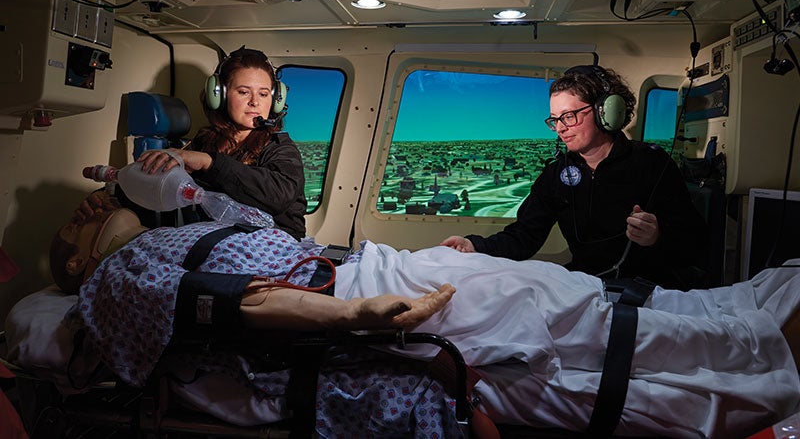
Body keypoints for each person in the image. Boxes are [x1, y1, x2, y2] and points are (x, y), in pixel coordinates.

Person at [70, 220, 800, 438]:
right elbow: (225, 305)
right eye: (78, 220)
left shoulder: (192, 218)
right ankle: (765, 355)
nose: (89, 208)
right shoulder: (116, 276)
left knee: (571, 296)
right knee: (571, 324)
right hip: (371, 298)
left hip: (378, 267)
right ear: (77, 257)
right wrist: (354, 314)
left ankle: (751, 321)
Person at [441, 65, 709, 289]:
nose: (560, 128)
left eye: (569, 116)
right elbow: (524, 235)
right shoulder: (557, 174)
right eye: (555, 119)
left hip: (651, 286)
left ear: (606, 111)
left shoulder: (651, 163)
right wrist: (474, 245)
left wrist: (657, 235)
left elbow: (695, 244)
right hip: (585, 285)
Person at [76, 46, 307, 240]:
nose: (255, 102)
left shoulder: (280, 149)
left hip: (273, 248)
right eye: (244, 92)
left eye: (264, 94)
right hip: (217, 245)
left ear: (275, 100)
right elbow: (162, 183)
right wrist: (110, 197)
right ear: (220, 95)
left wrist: (210, 163)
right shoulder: (204, 143)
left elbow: (279, 194)